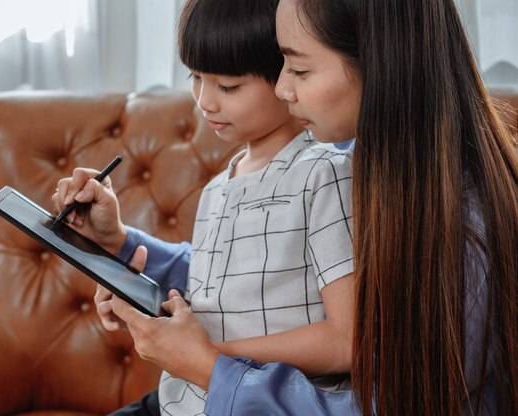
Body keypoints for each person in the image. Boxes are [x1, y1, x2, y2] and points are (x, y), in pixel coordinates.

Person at [104, 0, 518, 415]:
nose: (282, 89)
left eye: (299, 69)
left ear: (380, 65)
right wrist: (125, 252)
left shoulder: (460, 229)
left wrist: (209, 363)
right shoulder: (366, 159)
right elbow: (249, 272)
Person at [53, 0, 357, 414]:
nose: (205, 101)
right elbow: (217, 301)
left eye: (228, 87)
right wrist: (152, 315)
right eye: (195, 77)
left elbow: (347, 338)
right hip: (182, 399)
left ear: (286, 75)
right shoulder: (218, 186)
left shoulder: (325, 173)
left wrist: (207, 353)